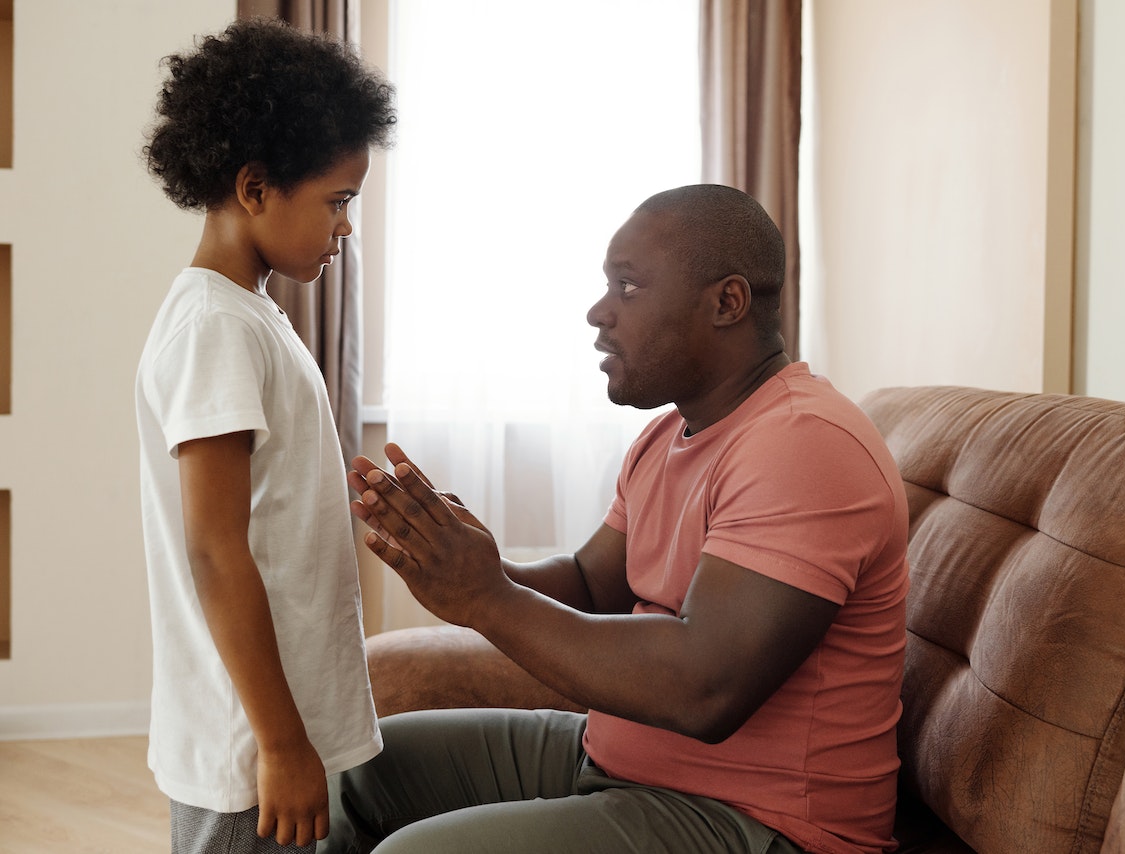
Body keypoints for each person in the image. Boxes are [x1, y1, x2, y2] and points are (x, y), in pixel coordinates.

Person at [327, 184, 910, 854]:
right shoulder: (668, 436)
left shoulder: (803, 443)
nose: (598, 312)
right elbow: (590, 582)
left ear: (727, 302)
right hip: (616, 761)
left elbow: (706, 689)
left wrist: (487, 599)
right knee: (357, 767)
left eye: (628, 286)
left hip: (760, 821)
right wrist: (478, 565)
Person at [135, 18, 396, 853]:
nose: (347, 228)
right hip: (250, 740)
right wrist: (282, 746)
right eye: (338, 202)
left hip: (280, 721)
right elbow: (216, 551)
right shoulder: (215, 326)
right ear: (254, 187)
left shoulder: (249, 315)